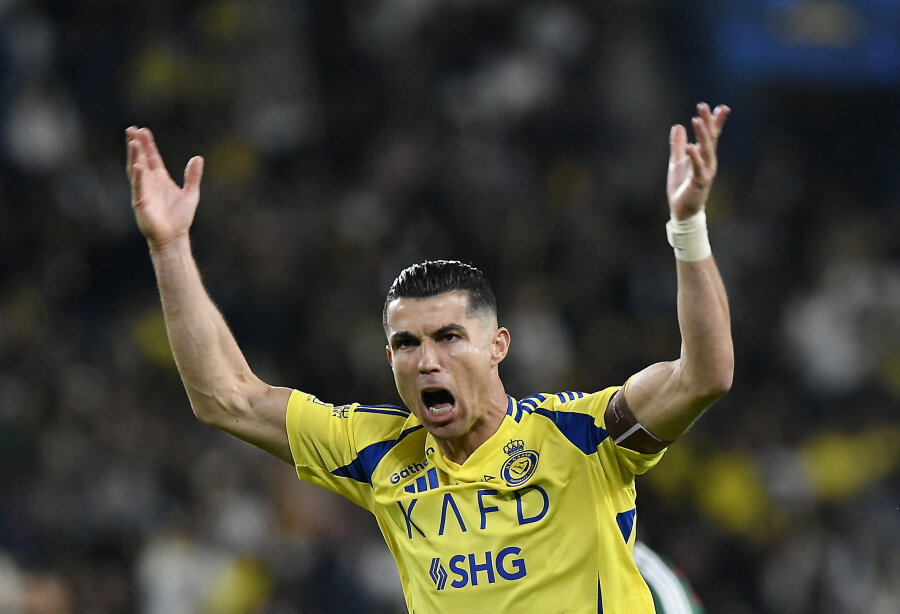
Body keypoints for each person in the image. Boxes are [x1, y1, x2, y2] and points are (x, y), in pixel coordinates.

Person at [125, 102, 733, 613]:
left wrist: (688, 226)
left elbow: (703, 376)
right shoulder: (379, 453)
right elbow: (227, 397)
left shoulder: (583, 435)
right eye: (407, 344)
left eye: (448, 337)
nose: (426, 361)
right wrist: (170, 248)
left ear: (498, 346)